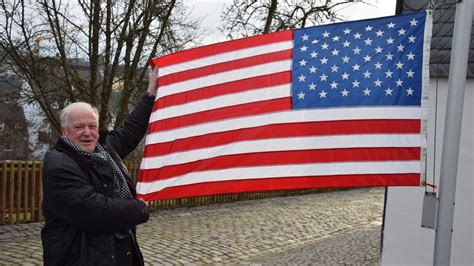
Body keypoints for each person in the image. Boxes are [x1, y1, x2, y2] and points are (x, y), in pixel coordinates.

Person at [41, 67, 159, 266]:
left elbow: (131, 129)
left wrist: (151, 92)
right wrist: (140, 209)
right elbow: (96, 212)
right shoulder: (59, 165)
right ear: (64, 131)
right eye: (78, 127)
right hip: (79, 257)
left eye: (92, 126)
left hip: (118, 251)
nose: (87, 132)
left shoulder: (104, 149)